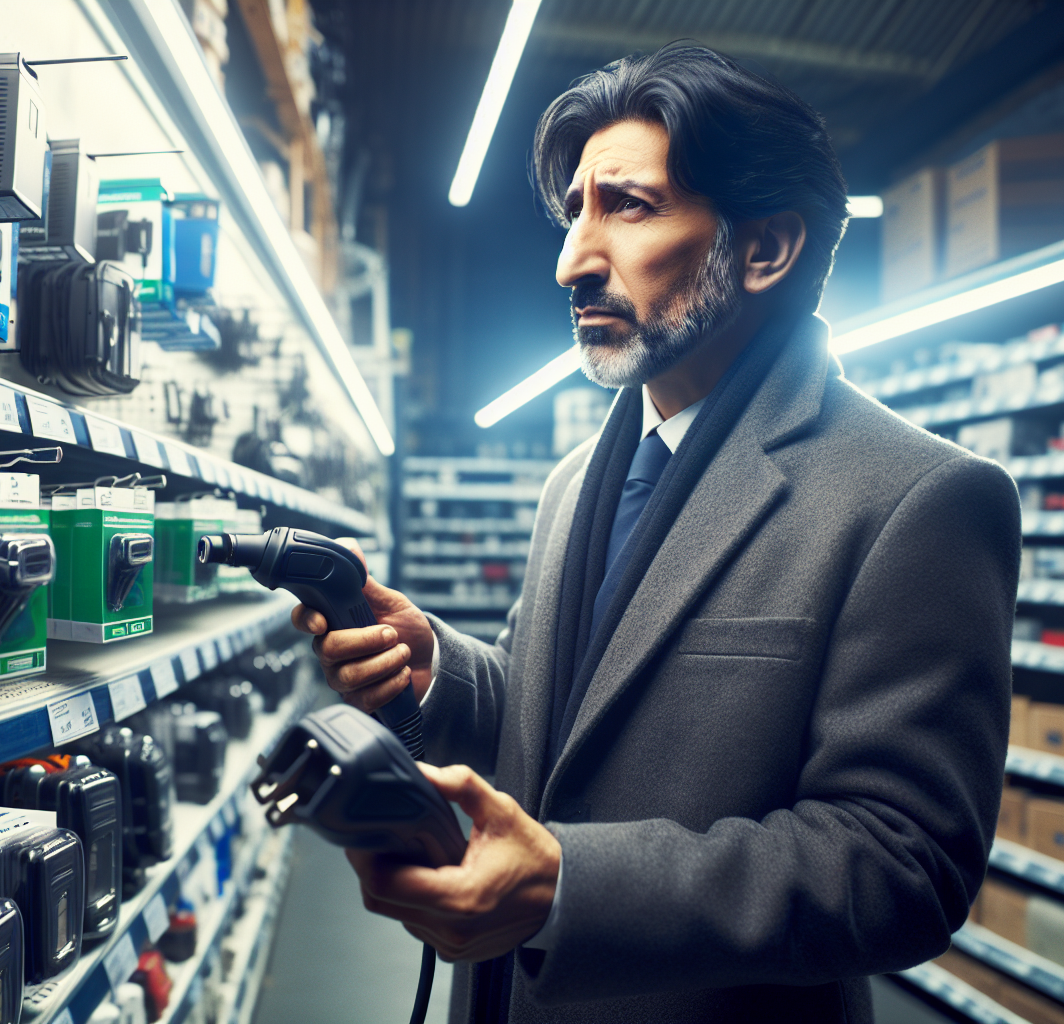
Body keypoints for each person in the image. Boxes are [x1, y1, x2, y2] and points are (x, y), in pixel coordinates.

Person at [293, 43, 1019, 1023]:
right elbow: (563, 709)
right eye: (573, 213)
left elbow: (902, 862)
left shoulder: (914, 498)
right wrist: (439, 670)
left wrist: (570, 886)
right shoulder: (572, 482)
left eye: (627, 207)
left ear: (764, 249)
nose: (570, 261)